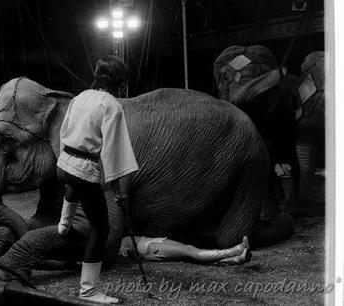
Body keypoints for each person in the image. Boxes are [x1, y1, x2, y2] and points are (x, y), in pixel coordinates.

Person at [56, 55, 138, 304]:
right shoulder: (111, 105)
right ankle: (89, 291)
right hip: (82, 170)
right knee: (101, 228)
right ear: (119, 82)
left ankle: (64, 221)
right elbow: (113, 151)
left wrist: (65, 160)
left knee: (75, 182)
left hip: (64, 164)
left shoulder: (79, 97)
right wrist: (118, 191)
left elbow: (64, 131)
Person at [119, 236, 251, 265]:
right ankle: (236, 250)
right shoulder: (116, 245)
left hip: (153, 241)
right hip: (149, 247)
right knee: (191, 251)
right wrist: (143, 257)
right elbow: (125, 255)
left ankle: (237, 258)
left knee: (190, 254)